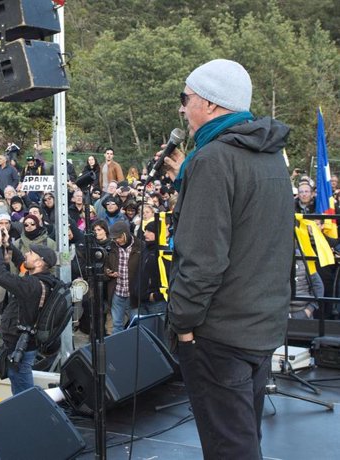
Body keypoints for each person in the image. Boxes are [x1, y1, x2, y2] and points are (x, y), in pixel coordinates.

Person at [164, 59, 294, 459]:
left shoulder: (213, 160)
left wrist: (183, 324)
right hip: (259, 326)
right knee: (243, 439)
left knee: (229, 449)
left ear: (209, 103)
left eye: (185, 100)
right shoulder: (270, 156)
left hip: (218, 335)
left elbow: (203, 260)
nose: (182, 110)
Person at [0, 231, 59, 395]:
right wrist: (8, 244)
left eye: (31, 253)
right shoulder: (43, 279)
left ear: (40, 262)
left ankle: (29, 416)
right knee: (21, 386)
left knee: (23, 394)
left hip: (19, 346)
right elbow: (21, 261)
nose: (27, 253)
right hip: (23, 343)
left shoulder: (31, 286)